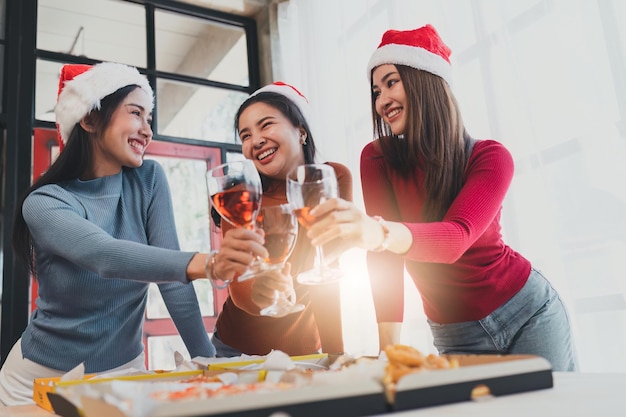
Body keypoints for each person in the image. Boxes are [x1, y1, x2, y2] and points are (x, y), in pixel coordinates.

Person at [306, 24, 577, 371]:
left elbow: (456, 237)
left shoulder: (490, 156)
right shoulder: (377, 158)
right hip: (457, 335)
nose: (381, 100)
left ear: (425, 80)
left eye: (391, 82)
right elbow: (385, 260)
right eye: (376, 91)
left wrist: (378, 233)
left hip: (529, 313)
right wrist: (389, 350)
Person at [0, 62, 219, 406]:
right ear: (89, 119)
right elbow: (104, 255)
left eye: (149, 118)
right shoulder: (44, 202)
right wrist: (209, 264)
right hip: (39, 384)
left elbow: (172, 281)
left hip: (124, 373)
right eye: (136, 113)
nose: (147, 130)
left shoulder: (148, 179)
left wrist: (209, 363)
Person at [208, 82, 352, 357]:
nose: (256, 140)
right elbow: (242, 292)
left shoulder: (331, 179)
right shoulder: (240, 197)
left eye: (266, 125)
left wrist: (337, 356)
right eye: (245, 135)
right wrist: (266, 293)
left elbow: (327, 272)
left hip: (307, 350)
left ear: (301, 131)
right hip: (238, 351)